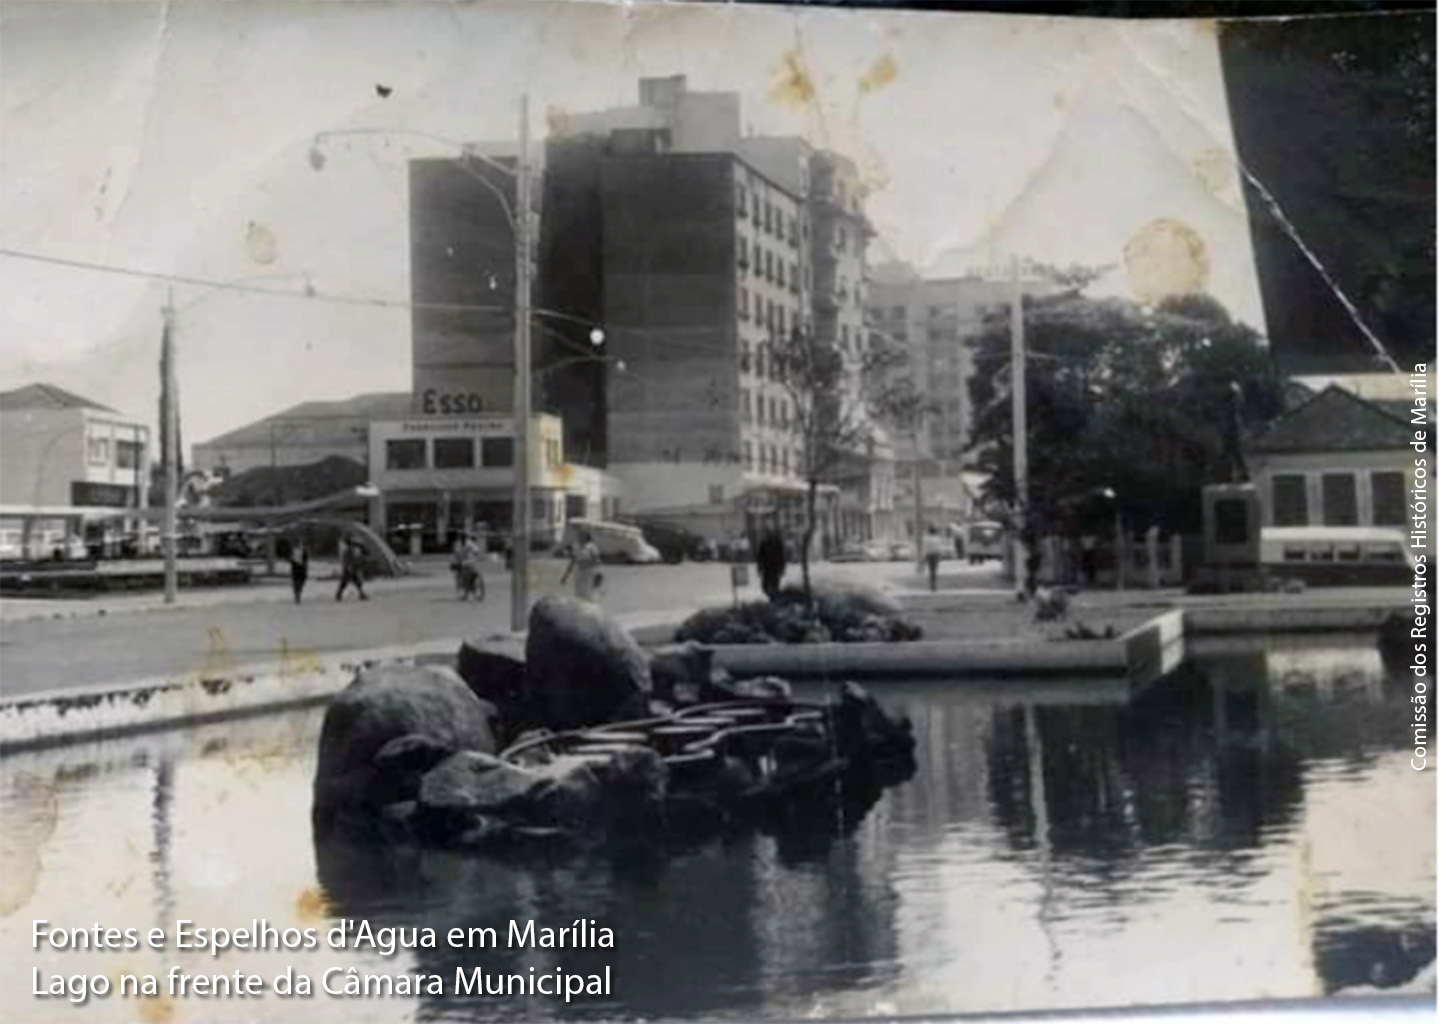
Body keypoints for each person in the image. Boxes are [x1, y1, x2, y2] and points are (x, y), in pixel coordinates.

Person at [561, 529, 602, 603]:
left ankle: (589, 604)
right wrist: (565, 576)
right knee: (578, 590)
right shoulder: (576, 547)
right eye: (579, 535)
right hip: (579, 571)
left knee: (587, 590)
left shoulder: (591, 547)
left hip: (589, 571)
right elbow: (573, 561)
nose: (579, 537)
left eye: (582, 535)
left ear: (586, 537)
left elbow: (597, 561)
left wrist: (587, 564)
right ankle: (579, 604)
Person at [756, 527, 787, 600]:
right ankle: (773, 598)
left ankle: (774, 599)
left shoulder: (777, 544)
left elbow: (781, 557)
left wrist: (781, 568)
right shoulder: (765, 544)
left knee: (772, 586)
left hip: (773, 569)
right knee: (768, 587)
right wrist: (760, 568)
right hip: (768, 569)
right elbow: (760, 557)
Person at [335, 537, 368, 601]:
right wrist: (349, 567)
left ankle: (361, 594)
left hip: (351, 568)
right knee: (345, 582)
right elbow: (347, 560)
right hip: (349, 569)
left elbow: (353, 559)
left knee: (355, 582)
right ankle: (339, 595)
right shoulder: (348, 551)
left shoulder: (350, 551)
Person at [922, 525, 947, 593]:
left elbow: (925, 548)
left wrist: (924, 556)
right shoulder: (938, 538)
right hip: (935, 555)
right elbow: (939, 548)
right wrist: (941, 555)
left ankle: (932, 584)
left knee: (931, 570)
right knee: (934, 570)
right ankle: (934, 584)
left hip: (929, 555)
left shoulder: (926, 538)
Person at [287, 535, 310, 604]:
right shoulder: (293, 550)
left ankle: (298, 593)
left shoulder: (303, 550)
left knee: (301, 581)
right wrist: (293, 560)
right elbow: (289, 558)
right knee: (296, 582)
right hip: (296, 567)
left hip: (301, 567)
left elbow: (306, 558)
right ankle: (297, 594)